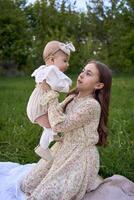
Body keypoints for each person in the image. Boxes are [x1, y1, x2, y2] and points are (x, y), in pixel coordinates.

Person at [20, 60, 112, 199]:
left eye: (88, 74)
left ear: (98, 85)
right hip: (64, 147)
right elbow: (54, 114)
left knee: (47, 194)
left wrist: (51, 95)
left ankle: (82, 176)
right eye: (82, 70)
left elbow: (59, 125)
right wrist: (43, 89)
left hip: (78, 154)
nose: (81, 75)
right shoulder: (72, 97)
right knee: (28, 184)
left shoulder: (92, 106)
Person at [26, 40, 75, 162]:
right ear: (52, 60)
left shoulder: (44, 70)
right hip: (39, 106)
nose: (67, 64)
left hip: (39, 104)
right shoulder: (51, 71)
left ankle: (53, 135)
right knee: (51, 126)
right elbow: (59, 86)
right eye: (64, 61)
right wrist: (68, 87)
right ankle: (43, 147)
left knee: (51, 123)